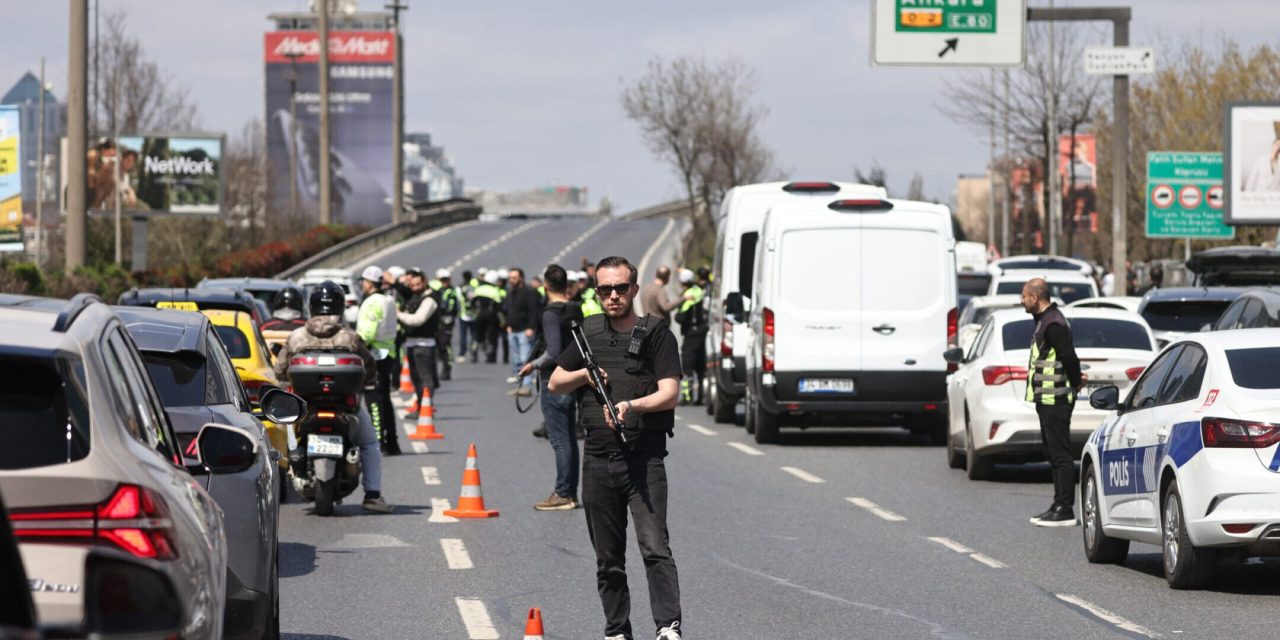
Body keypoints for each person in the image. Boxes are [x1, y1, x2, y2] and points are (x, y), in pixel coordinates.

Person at [548, 256, 684, 640]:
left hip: (644, 461)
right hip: (597, 461)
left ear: (635, 290)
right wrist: (584, 375)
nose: (613, 296)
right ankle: (617, 630)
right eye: (605, 289)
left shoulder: (657, 333)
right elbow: (556, 382)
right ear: (596, 292)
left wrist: (631, 407)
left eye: (621, 288)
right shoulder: (587, 333)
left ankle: (667, 627)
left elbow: (670, 393)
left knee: (655, 548)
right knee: (608, 559)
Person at [275, 281, 392, 513]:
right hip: (345, 406)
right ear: (339, 306)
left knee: (287, 426)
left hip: (306, 406)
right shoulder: (350, 337)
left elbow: (280, 369)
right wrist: (370, 381)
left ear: (312, 306)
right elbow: (369, 366)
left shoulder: (297, 336)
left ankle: (296, 461)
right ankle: (373, 495)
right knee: (369, 443)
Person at [519, 264, 583, 511]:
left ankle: (563, 493)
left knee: (560, 441)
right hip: (573, 379)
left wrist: (532, 365)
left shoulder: (551, 313)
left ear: (546, 285)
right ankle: (570, 492)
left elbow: (553, 352)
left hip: (553, 381)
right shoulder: (576, 309)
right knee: (569, 439)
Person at [1022, 278, 1085, 527]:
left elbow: (1069, 356)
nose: (1022, 300)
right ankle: (1058, 503)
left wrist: (1076, 380)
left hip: (1056, 398)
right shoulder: (1044, 321)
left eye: (1024, 296)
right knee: (1053, 452)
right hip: (1046, 397)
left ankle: (1065, 508)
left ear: (1035, 298)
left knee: (1061, 455)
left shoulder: (1053, 323)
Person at [356, 266, 401, 455]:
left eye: (363, 281)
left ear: (369, 282)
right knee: (385, 399)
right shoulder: (389, 300)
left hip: (374, 355)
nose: (362, 285)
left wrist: (356, 345)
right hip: (388, 353)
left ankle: (378, 440)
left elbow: (368, 332)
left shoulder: (372, 302)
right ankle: (391, 441)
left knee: (374, 399)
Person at [397, 268, 440, 416]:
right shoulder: (415, 296)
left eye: (417, 284)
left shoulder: (429, 299)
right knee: (416, 379)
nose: (414, 288)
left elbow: (418, 319)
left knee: (425, 378)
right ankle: (421, 405)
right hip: (412, 343)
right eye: (412, 285)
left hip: (424, 345)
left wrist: (399, 315)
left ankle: (426, 407)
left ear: (424, 282)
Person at [674, 269, 707, 405]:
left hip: (691, 334)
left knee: (687, 366)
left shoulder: (688, 295)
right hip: (701, 331)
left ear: (682, 282)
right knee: (700, 366)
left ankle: (687, 397)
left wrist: (677, 314)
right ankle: (700, 397)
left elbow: (681, 317)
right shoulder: (698, 290)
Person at [505, 267, 543, 389]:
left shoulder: (529, 292)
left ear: (521, 278)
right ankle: (519, 378)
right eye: (510, 278)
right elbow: (510, 310)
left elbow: (534, 311)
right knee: (516, 357)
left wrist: (531, 327)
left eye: (514, 278)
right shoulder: (511, 292)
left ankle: (526, 383)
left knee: (525, 357)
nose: (512, 280)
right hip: (513, 330)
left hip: (524, 330)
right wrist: (509, 325)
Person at [431, 268, 460, 380]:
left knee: (446, 346)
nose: (445, 282)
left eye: (446, 280)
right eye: (442, 280)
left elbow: (448, 307)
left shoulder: (451, 291)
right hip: (436, 322)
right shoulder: (436, 290)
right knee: (437, 347)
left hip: (447, 321)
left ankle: (447, 369)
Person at [470, 271, 505, 363]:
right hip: (491, 316)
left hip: (479, 315)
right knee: (491, 336)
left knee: (478, 335)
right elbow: (498, 306)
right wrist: (502, 320)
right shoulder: (495, 290)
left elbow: (472, 303)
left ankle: (474, 351)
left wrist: (475, 312)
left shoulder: (478, 289)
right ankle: (489, 354)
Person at [457, 270, 476, 363]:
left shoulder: (460, 287)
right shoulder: (473, 288)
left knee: (463, 336)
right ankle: (473, 353)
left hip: (463, 315)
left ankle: (462, 354)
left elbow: (459, 300)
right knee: (473, 336)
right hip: (473, 315)